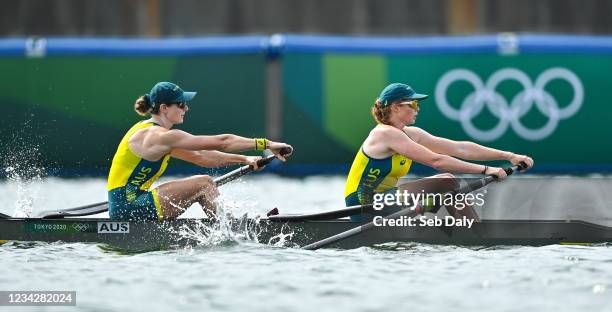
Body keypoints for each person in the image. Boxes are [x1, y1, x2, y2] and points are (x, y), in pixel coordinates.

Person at [344, 83, 533, 221]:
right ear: (395, 107)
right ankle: (475, 232)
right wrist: (486, 170)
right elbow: (436, 161)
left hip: (387, 198)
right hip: (363, 202)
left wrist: (509, 156)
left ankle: (467, 228)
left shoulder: (412, 134)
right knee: (445, 181)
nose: (418, 110)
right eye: (414, 105)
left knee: (445, 189)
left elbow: (461, 148)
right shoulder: (385, 134)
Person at [107, 82, 292, 221]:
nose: (186, 108)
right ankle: (231, 228)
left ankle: (228, 225)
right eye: (180, 104)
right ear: (164, 108)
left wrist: (245, 159)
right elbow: (223, 142)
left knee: (204, 183)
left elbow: (201, 157)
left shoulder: (158, 137)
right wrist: (267, 144)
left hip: (132, 204)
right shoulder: (158, 136)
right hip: (128, 208)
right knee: (204, 183)